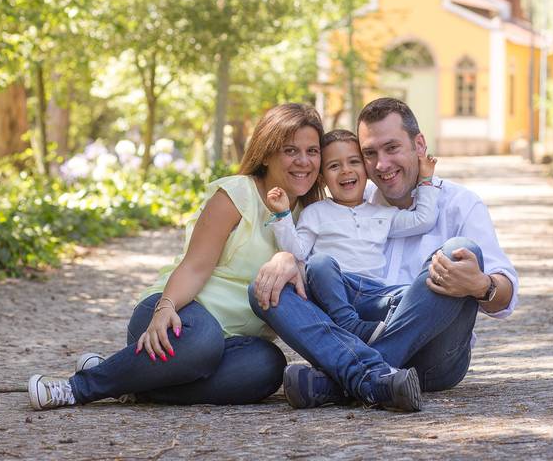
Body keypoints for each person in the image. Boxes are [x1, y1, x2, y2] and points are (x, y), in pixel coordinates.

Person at [27, 103, 326, 410]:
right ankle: (78, 388)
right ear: (266, 154)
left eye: (312, 151)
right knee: (202, 342)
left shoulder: (314, 217)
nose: (303, 161)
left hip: (233, 347)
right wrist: (164, 307)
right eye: (290, 150)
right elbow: (194, 267)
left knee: (267, 367)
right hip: (178, 318)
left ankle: (133, 381)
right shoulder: (237, 195)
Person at [249, 97, 518, 412]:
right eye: (370, 154)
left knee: (459, 251)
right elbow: (308, 254)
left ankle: (343, 378)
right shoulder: (350, 199)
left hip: (434, 359)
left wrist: (480, 285)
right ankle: (375, 379)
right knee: (264, 290)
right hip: (357, 333)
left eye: (392, 148)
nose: (381, 164)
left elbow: (505, 295)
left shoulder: (459, 203)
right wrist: (285, 258)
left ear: (419, 144)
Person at [265, 128, 439, 345]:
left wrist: (425, 179)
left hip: (374, 294)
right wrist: (282, 215)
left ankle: (378, 335)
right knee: (319, 263)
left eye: (354, 162)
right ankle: (349, 324)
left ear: (366, 170)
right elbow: (297, 251)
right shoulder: (316, 212)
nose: (345, 171)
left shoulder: (383, 213)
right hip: (334, 290)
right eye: (334, 166)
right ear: (321, 179)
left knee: (417, 291)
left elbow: (423, 220)